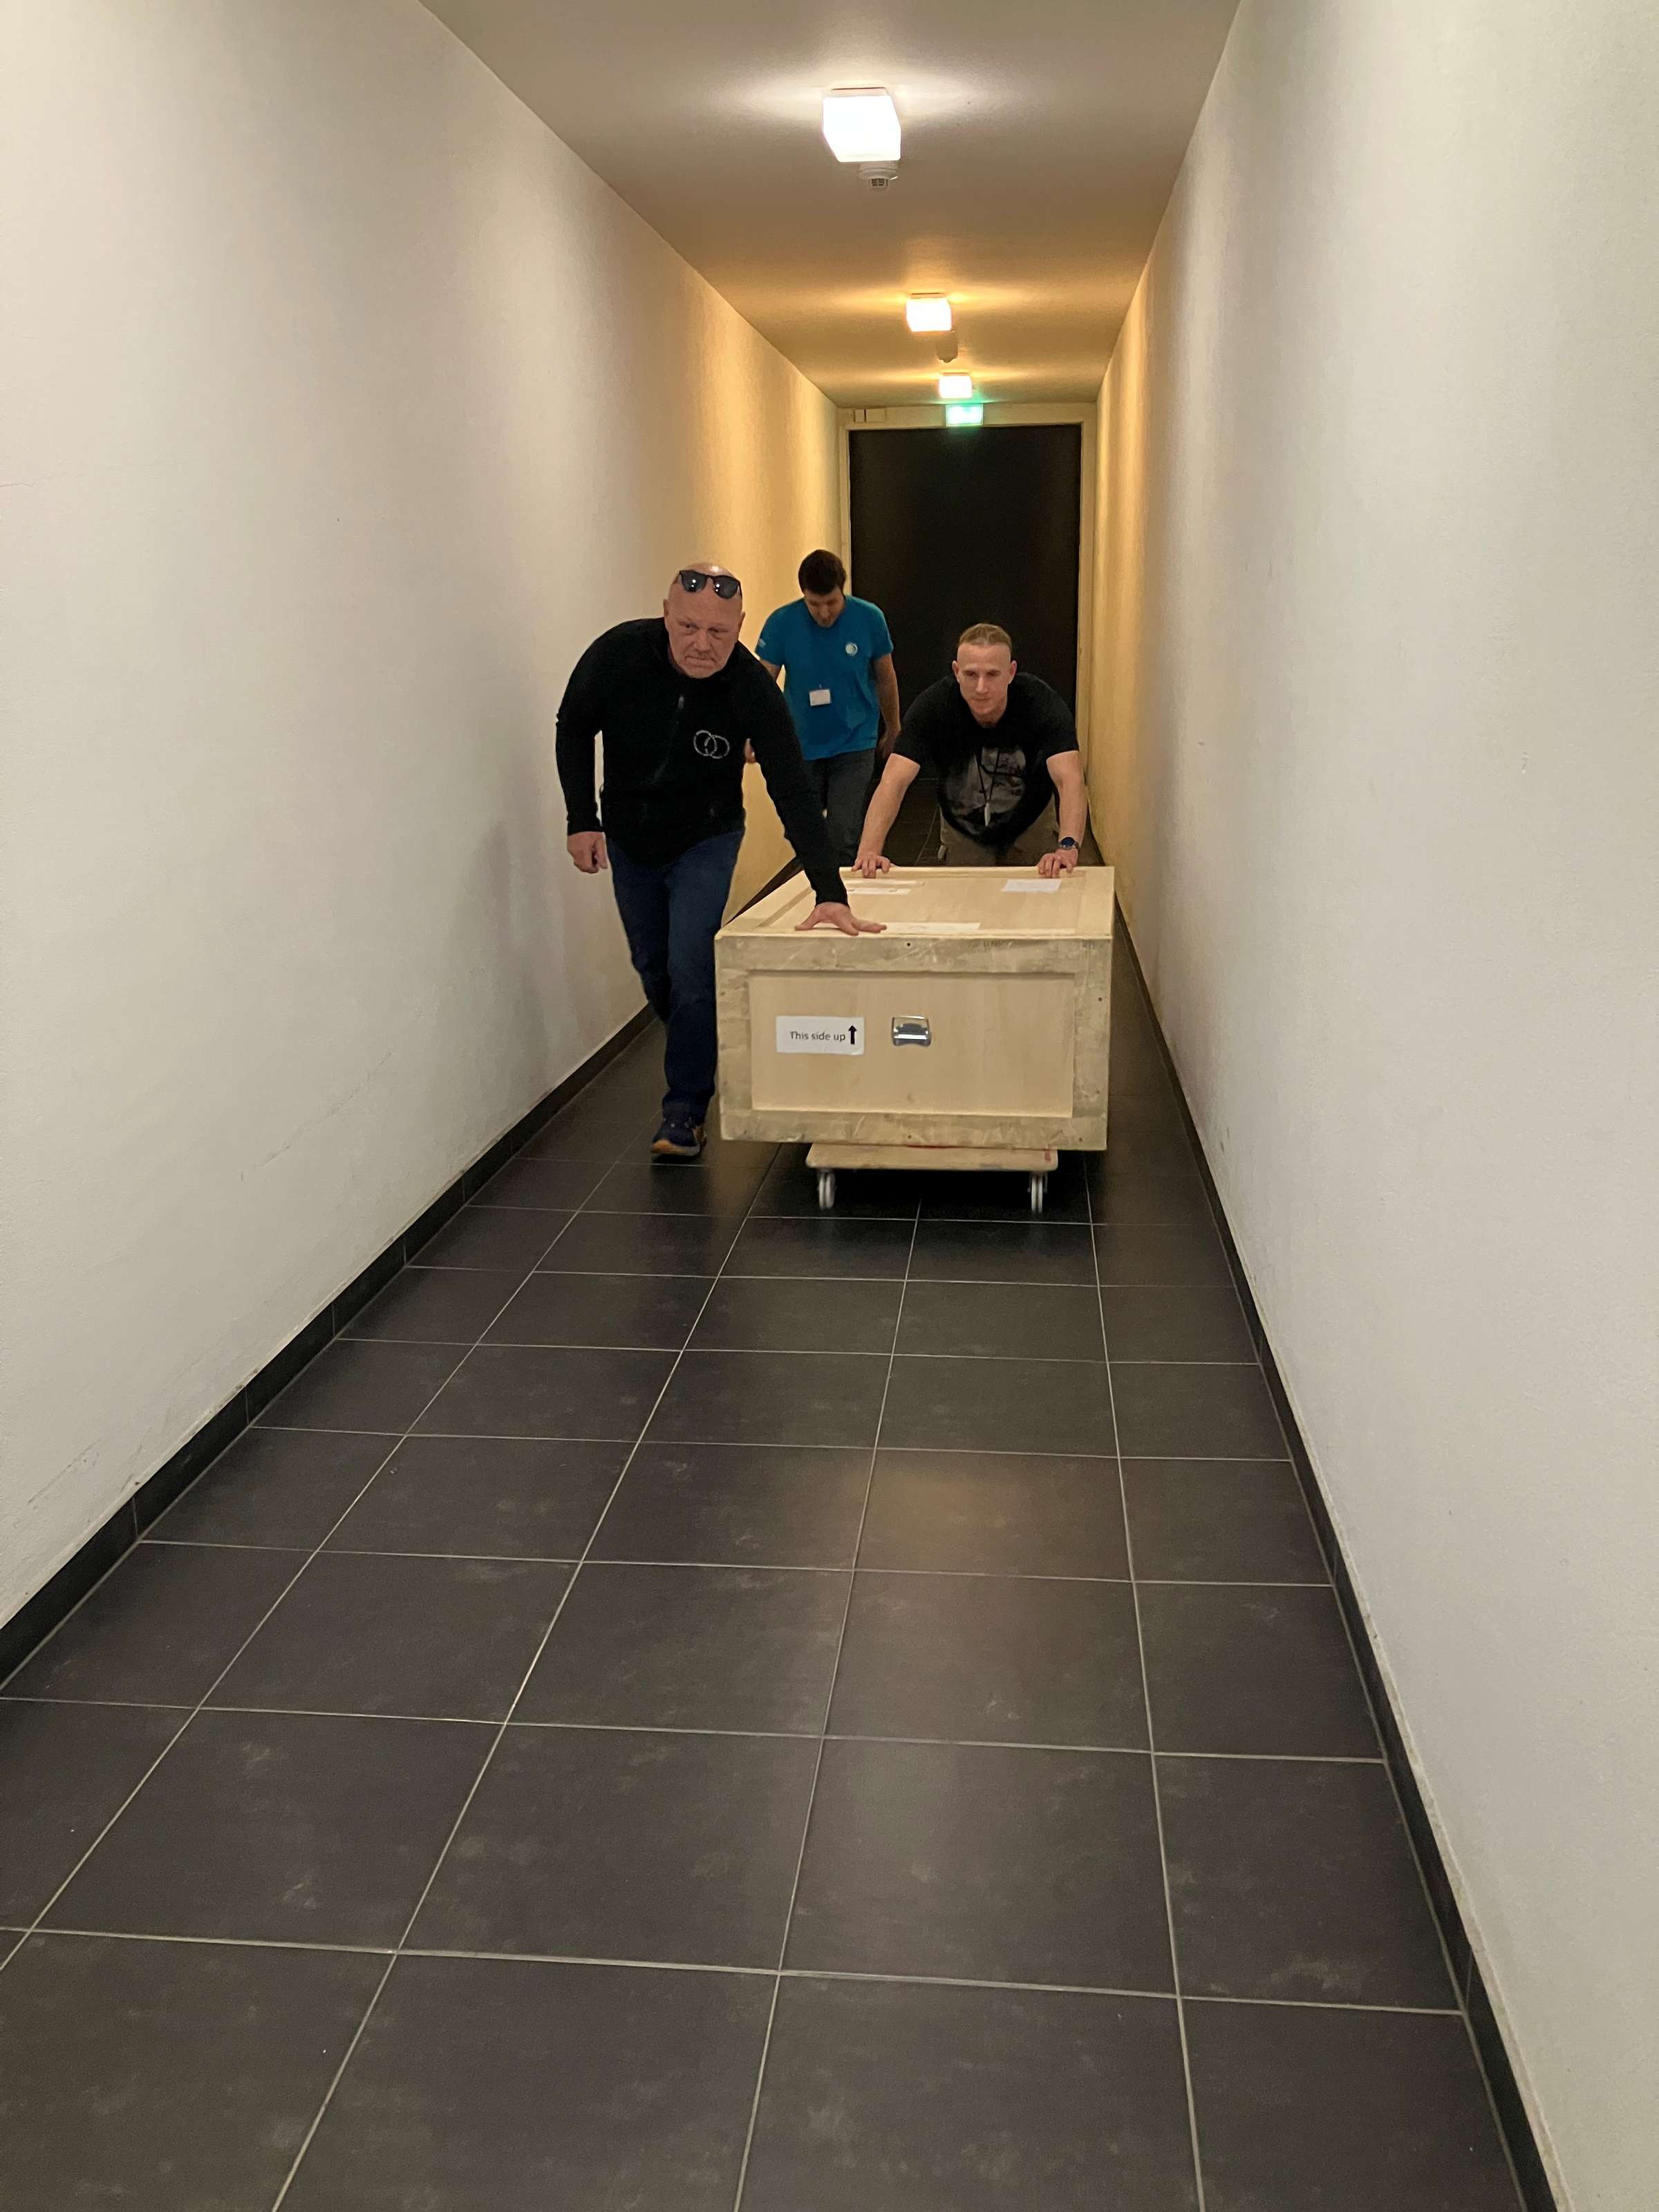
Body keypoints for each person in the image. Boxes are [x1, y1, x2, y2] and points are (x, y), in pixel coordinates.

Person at [556, 564, 881, 1161]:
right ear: (666, 614)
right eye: (688, 627)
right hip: (630, 838)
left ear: (741, 627)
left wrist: (829, 891)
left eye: (719, 633)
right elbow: (573, 727)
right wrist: (582, 817)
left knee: (689, 960)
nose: (703, 644)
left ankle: (684, 1108)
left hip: (707, 837)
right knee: (654, 967)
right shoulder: (618, 655)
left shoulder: (750, 688)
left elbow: (793, 789)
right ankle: (705, 1036)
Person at [852, 622, 1089, 879]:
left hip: (1031, 822)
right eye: (971, 674)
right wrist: (869, 851)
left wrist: (1068, 846)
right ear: (956, 672)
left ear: (1011, 672)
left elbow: (1070, 779)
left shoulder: (1040, 703)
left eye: (992, 674)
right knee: (965, 895)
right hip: (963, 826)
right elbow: (893, 781)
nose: (981, 688)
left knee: (1039, 893)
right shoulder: (934, 706)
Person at [756, 550, 901, 865]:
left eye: (832, 603)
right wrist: (755, 734)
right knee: (801, 830)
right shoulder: (781, 623)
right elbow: (762, 686)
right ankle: (816, 883)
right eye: (814, 604)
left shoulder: (869, 618)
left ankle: (840, 892)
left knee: (842, 833)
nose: (824, 613)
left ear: (842, 591)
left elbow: (885, 677)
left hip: (855, 739)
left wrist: (893, 727)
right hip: (801, 742)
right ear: (803, 595)